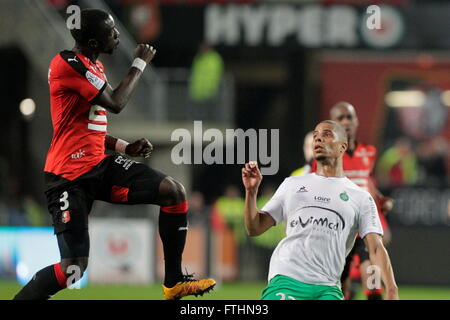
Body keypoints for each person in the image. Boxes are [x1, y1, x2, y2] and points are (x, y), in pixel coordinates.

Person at [13, 9, 215, 300]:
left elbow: (88, 128)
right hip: (68, 177)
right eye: (111, 32)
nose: (118, 35)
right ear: (94, 42)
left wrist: (124, 147)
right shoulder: (68, 63)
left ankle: (174, 283)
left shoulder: (94, 66)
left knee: (173, 191)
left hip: (98, 164)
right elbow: (116, 103)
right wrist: (139, 63)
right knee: (74, 269)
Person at [241, 120, 399, 300]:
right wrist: (251, 192)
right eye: (315, 136)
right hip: (287, 280)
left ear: (342, 147)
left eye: (327, 135)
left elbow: (376, 248)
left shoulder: (360, 197)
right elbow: (254, 228)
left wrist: (392, 290)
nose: (318, 140)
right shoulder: (293, 184)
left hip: (328, 288)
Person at [312, 102, 394, 300]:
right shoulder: (327, 157)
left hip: (363, 227)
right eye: (340, 118)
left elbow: (366, 181)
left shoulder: (369, 152)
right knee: (341, 288)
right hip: (340, 229)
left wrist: (380, 199)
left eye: (349, 117)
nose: (346, 122)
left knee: (373, 282)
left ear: (357, 121)